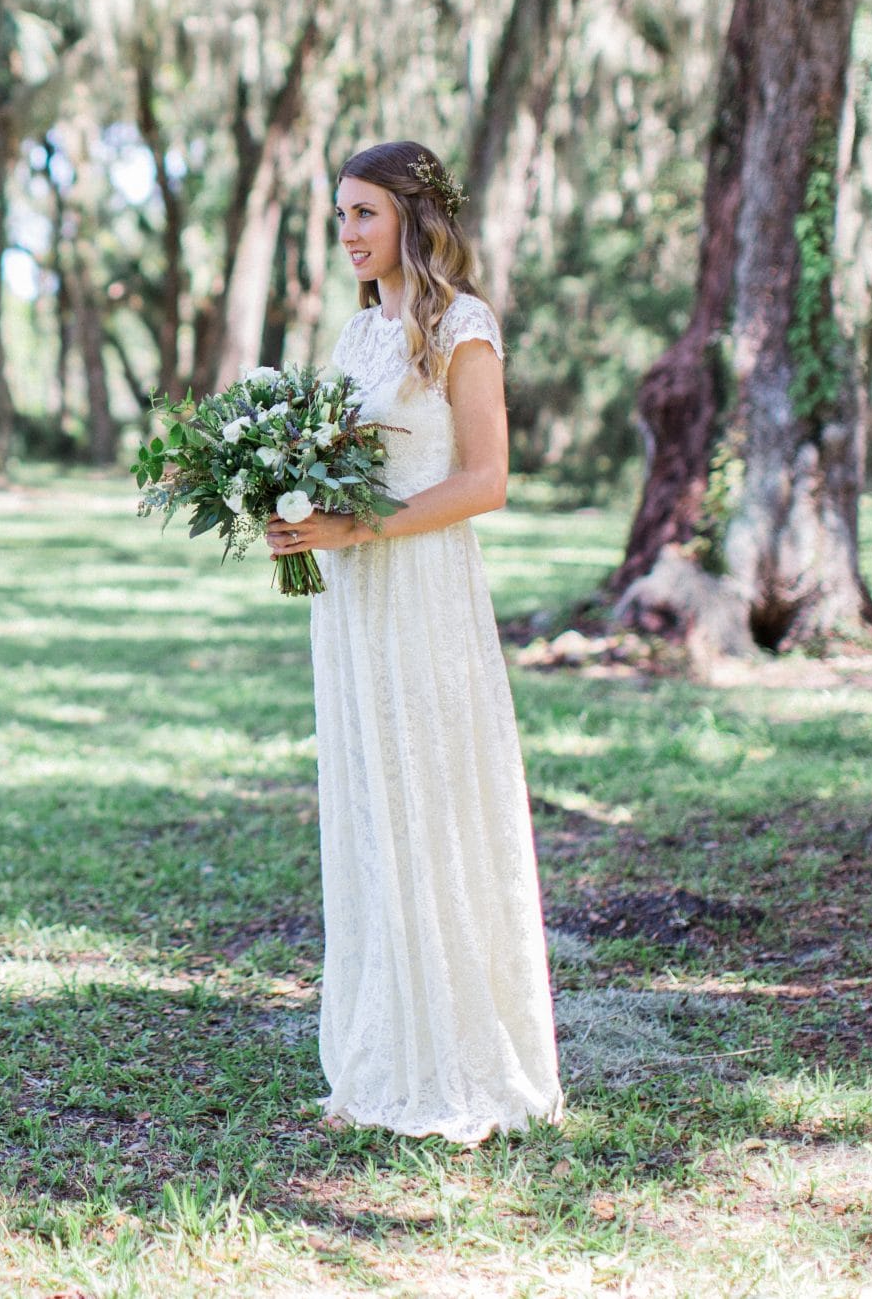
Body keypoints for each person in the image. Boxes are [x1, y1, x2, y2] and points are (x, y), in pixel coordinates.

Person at [265, 140, 563, 1141]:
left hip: (424, 588)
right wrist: (298, 525)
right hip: (348, 598)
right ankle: (382, 1050)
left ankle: (458, 1058)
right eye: (338, 216)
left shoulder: (461, 326)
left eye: (362, 215)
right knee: (370, 803)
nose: (346, 234)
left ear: (410, 218)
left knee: (429, 794)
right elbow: (337, 469)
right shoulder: (358, 337)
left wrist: (360, 530)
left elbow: (486, 481)